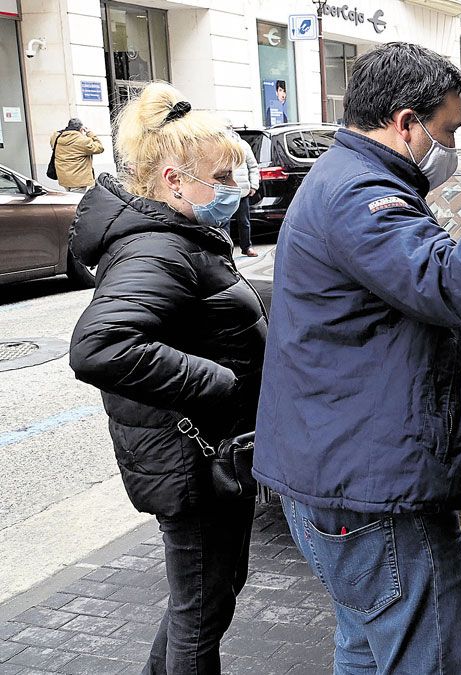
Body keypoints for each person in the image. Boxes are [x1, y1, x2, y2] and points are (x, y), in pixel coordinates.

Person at [253, 44, 461, 674]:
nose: (452, 146)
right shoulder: (358, 194)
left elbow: (386, 314)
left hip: (349, 479)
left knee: (367, 649)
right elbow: (457, 285)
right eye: (449, 129)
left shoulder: (351, 179)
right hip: (375, 498)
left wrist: (453, 361)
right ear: (406, 123)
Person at [67, 83, 266, 674]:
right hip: (189, 461)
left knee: (208, 597)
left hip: (194, 456)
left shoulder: (178, 238)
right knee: (200, 613)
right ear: (176, 180)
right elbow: (100, 346)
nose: (232, 190)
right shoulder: (157, 248)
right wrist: (221, 383)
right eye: (221, 177)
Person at [229, 126, 260, 257]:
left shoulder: (243, 145)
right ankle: (226, 250)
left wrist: (253, 186)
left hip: (242, 191)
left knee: (244, 222)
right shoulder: (217, 146)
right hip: (225, 191)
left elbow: (253, 166)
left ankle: (246, 246)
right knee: (223, 223)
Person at [50, 118, 105, 192]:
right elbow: (100, 148)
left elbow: (53, 144)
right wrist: (89, 133)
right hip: (78, 179)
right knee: (77, 201)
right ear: (81, 129)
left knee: (70, 198)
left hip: (64, 178)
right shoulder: (83, 141)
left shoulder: (56, 138)